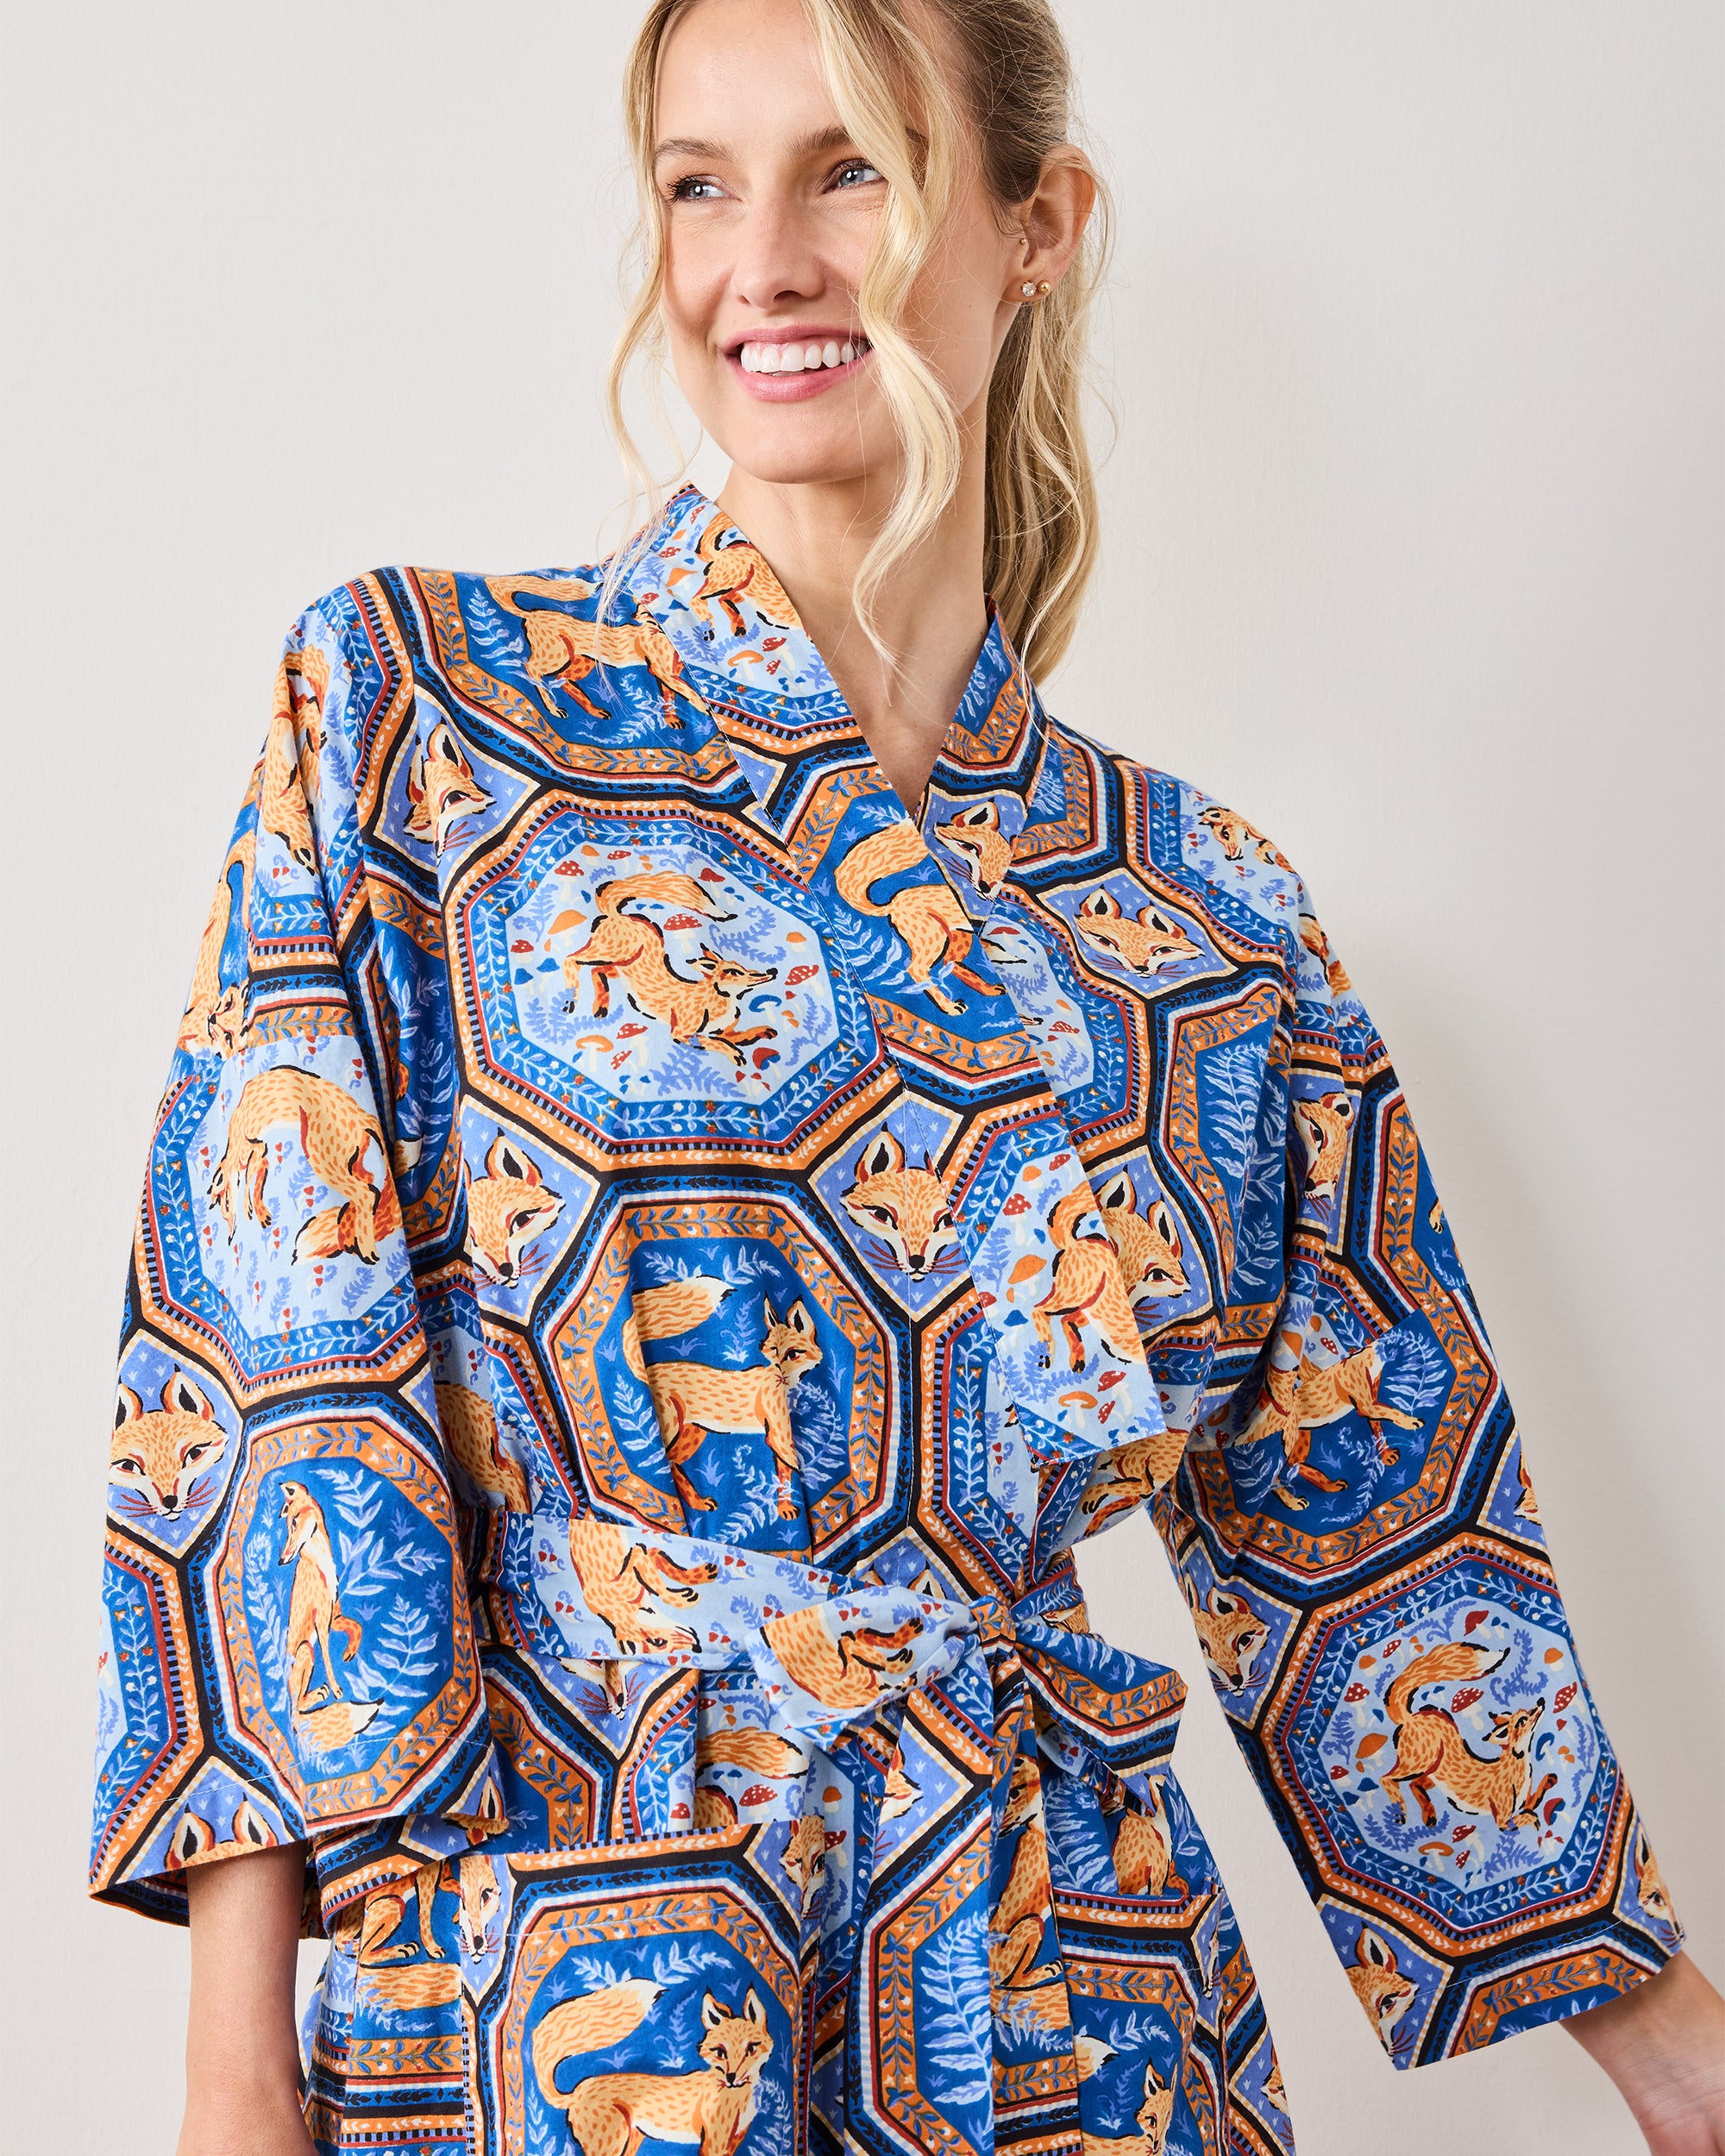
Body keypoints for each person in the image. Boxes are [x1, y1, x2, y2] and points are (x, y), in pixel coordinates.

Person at [87, 3, 1722, 2153]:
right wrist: (232, 2077)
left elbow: (1379, 1518)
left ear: (1037, 225)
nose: (759, 261)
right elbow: (271, 1372)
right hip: (570, 1972)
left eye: (850, 166)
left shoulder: (1202, 907)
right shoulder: (421, 712)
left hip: (1074, 1994)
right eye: (699, 183)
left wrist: (1677, 2051)